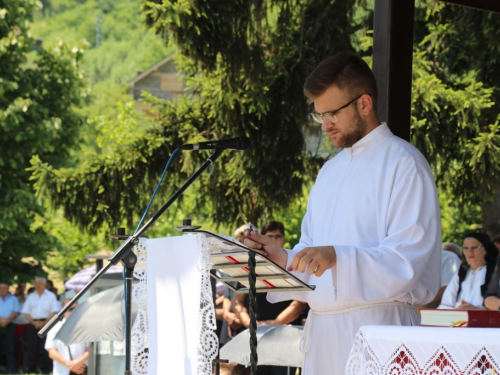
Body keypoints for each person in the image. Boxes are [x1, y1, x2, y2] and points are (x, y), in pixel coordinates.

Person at [243, 52, 441, 375]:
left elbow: (408, 262)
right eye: (319, 115)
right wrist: (282, 258)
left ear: (364, 104)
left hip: (379, 332)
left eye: (332, 113)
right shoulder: (328, 173)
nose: (325, 125)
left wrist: (338, 258)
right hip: (322, 336)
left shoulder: (405, 165)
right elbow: (312, 258)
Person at [234, 221, 307, 375]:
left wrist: (276, 323)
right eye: (270, 237)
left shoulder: (291, 264)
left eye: (278, 237)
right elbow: (238, 302)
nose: (274, 240)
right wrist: (250, 323)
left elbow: (300, 302)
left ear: (284, 240)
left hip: (285, 338)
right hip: (256, 336)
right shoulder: (250, 265)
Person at [438, 232, 498, 309]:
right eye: (466, 248)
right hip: (458, 319)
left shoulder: (495, 271)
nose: (469, 252)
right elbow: (445, 304)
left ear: (485, 249)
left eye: (474, 248)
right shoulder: (461, 273)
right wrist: (457, 311)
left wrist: (477, 311)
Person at [22, 276, 59, 374]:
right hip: (33, 323)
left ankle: (47, 369)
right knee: (32, 347)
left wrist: (44, 323)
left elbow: (54, 311)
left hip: (47, 323)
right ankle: (30, 369)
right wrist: (34, 323)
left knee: (46, 347)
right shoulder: (31, 296)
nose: (37, 285)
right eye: (36, 283)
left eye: (39, 283)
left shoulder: (51, 296)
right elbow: (26, 311)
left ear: (45, 284)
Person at [45, 301, 88, 375]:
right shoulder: (55, 328)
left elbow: (90, 350)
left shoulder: (85, 327)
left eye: (77, 309)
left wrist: (76, 364)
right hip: (62, 371)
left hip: (82, 369)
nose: (74, 312)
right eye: (70, 309)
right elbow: (52, 352)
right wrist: (69, 364)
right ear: (63, 311)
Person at [0, 281, 20, 374]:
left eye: (5, 288)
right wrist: (2, 320)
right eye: (1, 288)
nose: (3, 290)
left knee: (10, 348)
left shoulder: (13, 299)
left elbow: (16, 311)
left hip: (10, 325)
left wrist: (6, 321)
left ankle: (12, 369)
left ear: (8, 289)